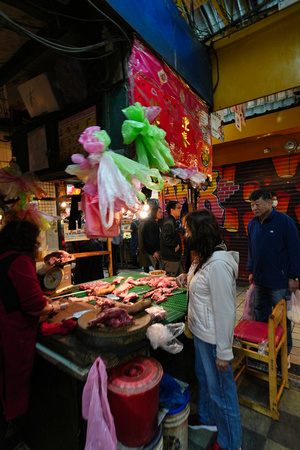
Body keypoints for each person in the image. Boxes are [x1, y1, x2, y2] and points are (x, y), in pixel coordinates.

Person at [176, 210, 242, 450]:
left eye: (187, 230)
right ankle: (207, 419)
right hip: (200, 333)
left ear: (200, 233)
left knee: (222, 394)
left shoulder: (218, 266)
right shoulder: (202, 257)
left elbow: (226, 312)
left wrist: (224, 351)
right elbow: (200, 281)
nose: (184, 235)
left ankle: (231, 443)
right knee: (204, 379)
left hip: (214, 340)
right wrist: (186, 277)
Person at [0, 220, 61, 448]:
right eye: (36, 240)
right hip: (11, 338)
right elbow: (35, 305)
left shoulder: (4, 257)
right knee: (8, 392)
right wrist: (52, 307)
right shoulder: (19, 260)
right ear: (26, 240)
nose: (38, 244)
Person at [247, 189, 300, 363]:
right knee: (261, 315)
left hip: (279, 282)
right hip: (260, 281)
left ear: (270, 202)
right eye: (252, 204)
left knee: (280, 320)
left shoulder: (285, 222)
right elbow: (251, 249)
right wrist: (251, 270)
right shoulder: (252, 224)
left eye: (258, 204)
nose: (254, 207)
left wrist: (295, 276)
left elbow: (295, 250)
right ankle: (265, 347)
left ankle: (284, 354)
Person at [160, 201, 182, 276]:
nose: (180, 210)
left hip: (174, 257)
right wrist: (175, 245)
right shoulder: (169, 222)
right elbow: (165, 237)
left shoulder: (172, 221)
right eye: (178, 208)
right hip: (170, 258)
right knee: (171, 281)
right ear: (172, 210)